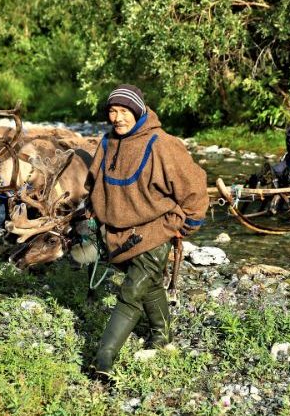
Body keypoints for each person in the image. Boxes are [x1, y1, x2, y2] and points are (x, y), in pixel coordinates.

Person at [87, 84, 209, 379]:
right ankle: (162, 335)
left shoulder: (161, 144)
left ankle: (102, 359)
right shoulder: (107, 143)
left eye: (124, 111)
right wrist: (92, 214)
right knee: (149, 285)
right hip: (118, 234)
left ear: (138, 111)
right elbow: (93, 183)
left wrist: (190, 223)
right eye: (112, 111)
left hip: (157, 228)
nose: (118, 118)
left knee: (131, 291)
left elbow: (194, 185)